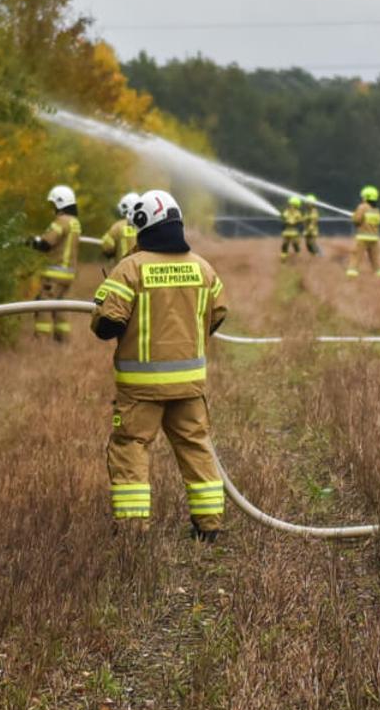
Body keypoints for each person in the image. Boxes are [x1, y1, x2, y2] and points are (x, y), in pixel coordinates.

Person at [91, 190, 231, 541]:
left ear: (142, 224)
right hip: (189, 386)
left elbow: (106, 325)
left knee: (131, 446)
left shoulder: (130, 269)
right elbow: (218, 314)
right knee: (195, 446)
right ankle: (209, 525)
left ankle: (133, 529)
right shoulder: (203, 268)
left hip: (141, 389)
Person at [27, 184, 82, 341]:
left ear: (60, 203)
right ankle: (62, 339)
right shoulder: (75, 222)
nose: (53, 209)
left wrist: (31, 242)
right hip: (68, 274)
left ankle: (42, 339)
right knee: (60, 306)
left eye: (53, 204)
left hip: (55, 273)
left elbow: (46, 243)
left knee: (43, 305)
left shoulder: (61, 222)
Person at [347, 185, 380, 277]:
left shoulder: (362, 207)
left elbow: (357, 221)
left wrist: (354, 217)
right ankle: (379, 272)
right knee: (375, 257)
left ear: (366, 197)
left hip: (363, 237)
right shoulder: (376, 210)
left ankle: (352, 271)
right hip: (374, 238)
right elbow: (379, 222)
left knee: (356, 255)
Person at [99, 192, 141, 266]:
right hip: (142, 268)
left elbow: (107, 246)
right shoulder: (147, 226)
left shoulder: (118, 227)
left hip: (123, 268)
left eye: (124, 206)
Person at [279, 196, 305, 262]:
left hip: (294, 231)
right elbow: (284, 219)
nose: (290, 206)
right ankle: (283, 256)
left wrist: (295, 223)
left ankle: (297, 254)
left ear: (296, 206)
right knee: (285, 243)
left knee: (294, 243)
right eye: (290, 204)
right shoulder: (286, 212)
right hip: (287, 231)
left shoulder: (298, 213)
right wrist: (285, 221)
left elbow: (300, 223)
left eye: (292, 205)